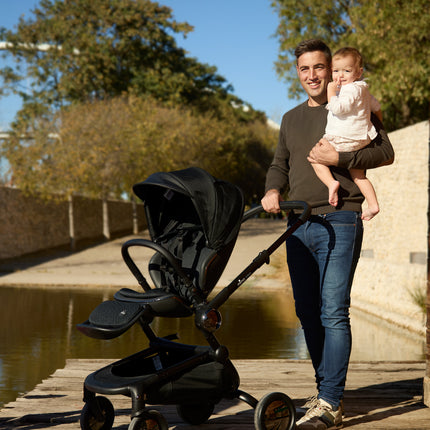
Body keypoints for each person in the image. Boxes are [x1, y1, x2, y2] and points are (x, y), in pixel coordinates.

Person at [261, 39, 394, 429]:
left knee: (334, 310)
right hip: (299, 224)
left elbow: (385, 151)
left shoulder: (353, 99)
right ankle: (324, 393)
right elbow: (279, 165)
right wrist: (272, 190)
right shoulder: (289, 119)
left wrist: (342, 159)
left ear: (331, 68)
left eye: (320, 67)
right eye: (305, 69)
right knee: (306, 312)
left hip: (341, 218)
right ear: (298, 73)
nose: (313, 75)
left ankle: (332, 402)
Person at [312, 47, 382, 221]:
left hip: (343, 139)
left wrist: (331, 93)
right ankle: (373, 205)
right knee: (358, 176)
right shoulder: (363, 89)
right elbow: (377, 107)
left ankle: (331, 183)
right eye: (336, 71)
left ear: (358, 72)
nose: (340, 76)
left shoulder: (349, 90)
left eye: (347, 71)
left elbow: (339, 108)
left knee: (315, 156)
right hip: (361, 139)